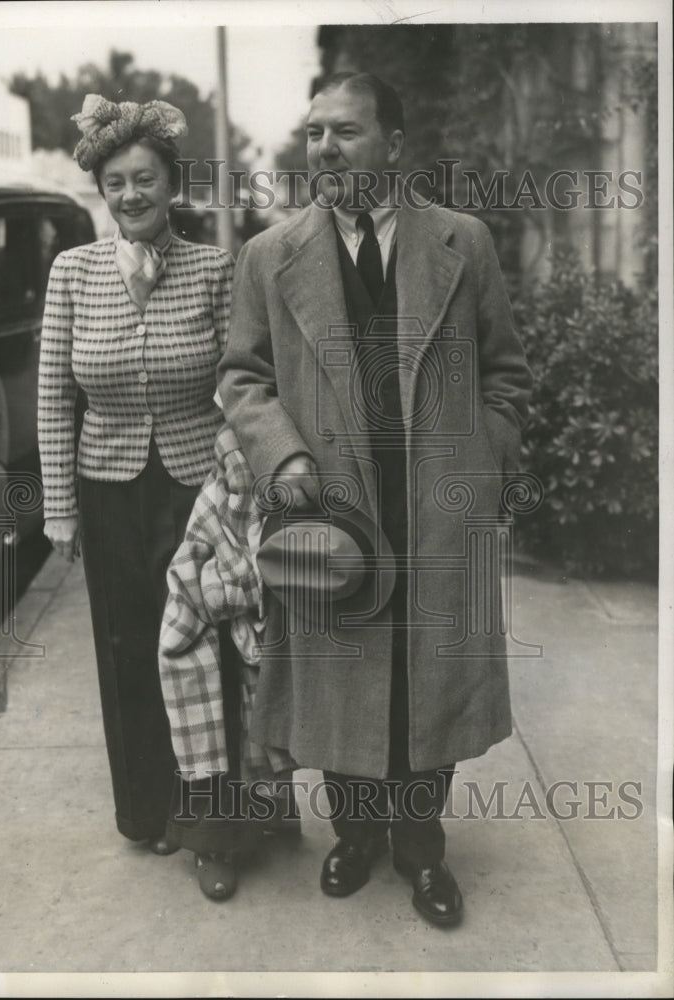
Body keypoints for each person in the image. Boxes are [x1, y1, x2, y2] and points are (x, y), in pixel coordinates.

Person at [218, 72, 533, 926]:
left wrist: (483, 459)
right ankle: (353, 837)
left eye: (345, 132)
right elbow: (243, 379)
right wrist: (280, 457)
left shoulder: (461, 243)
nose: (323, 148)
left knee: (425, 687)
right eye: (314, 132)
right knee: (339, 680)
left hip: (435, 512)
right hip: (328, 508)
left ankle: (421, 852)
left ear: (394, 145)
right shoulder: (268, 255)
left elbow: (504, 373)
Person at [37, 94, 234, 865]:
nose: (131, 195)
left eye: (144, 178)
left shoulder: (214, 266)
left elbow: (241, 383)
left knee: (206, 646)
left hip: (199, 487)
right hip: (108, 488)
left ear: (171, 182)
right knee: (128, 651)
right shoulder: (72, 272)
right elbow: (55, 393)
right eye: (115, 182)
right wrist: (60, 510)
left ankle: (216, 820)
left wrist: (238, 491)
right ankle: (149, 812)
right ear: (101, 189)